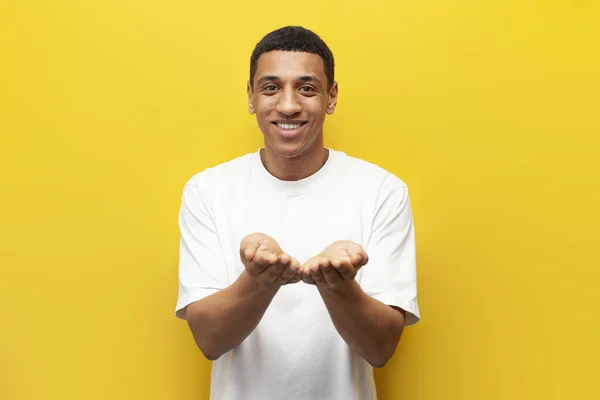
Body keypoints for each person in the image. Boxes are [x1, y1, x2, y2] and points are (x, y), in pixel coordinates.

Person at [174, 25, 420, 400]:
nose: (288, 105)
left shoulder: (382, 192)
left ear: (331, 97)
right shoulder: (207, 191)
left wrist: (339, 286)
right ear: (251, 96)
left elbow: (381, 348)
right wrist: (260, 280)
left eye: (306, 88)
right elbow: (209, 341)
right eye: (271, 87)